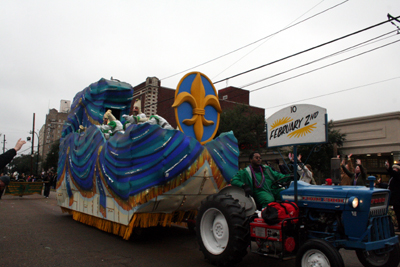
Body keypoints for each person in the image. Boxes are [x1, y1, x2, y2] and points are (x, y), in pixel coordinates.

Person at [386, 161, 400, 231]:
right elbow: (389, 186)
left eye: (395, 168)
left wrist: (389, 168)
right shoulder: (393, 178)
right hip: (394, 198)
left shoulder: (397, 176)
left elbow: (393, 173)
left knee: (398, 212)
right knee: (397, 212)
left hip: (397, 198)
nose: (393, 169)